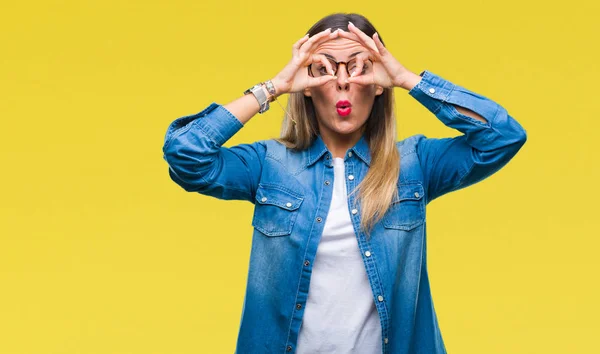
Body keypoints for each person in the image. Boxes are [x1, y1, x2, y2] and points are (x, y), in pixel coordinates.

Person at [162, 12, 527, 354]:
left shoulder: (413, 164)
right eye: (323, 69)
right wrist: (273, 87)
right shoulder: (269, 165)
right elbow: (186, 154)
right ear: (308, 86)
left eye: (358, 67)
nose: (342, 82)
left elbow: (503, 136)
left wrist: (407, 79)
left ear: (378, 82)